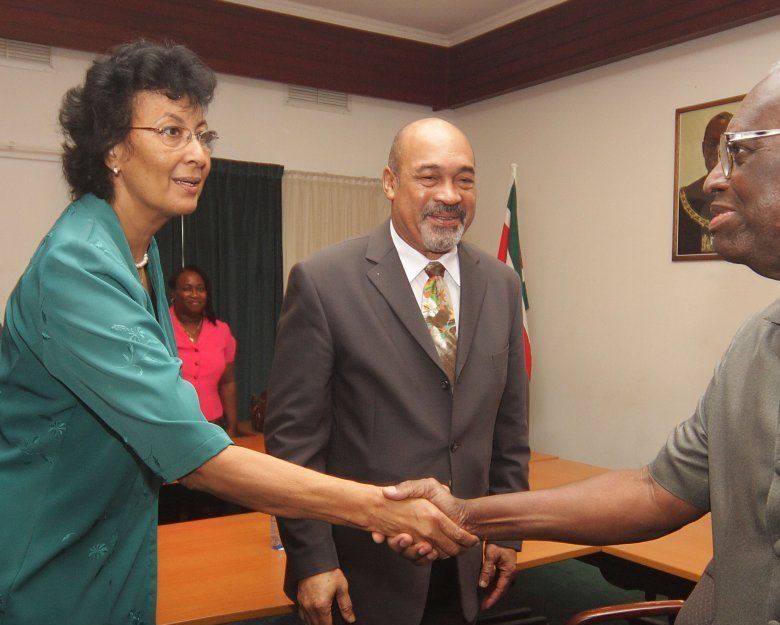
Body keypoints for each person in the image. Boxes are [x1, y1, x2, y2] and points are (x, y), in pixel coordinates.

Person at [382, 41, 780, 625]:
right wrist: (466, 512)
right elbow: (656, 492)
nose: (712, 180)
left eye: (741, 152)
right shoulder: (758, 342)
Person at [0, 41, 475, 625]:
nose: (199, 154)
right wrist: (381, 508)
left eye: (204, 135)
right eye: (172, 132)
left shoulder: (134, 257)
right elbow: (192, 453)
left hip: (112, 546)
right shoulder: (78, 266)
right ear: (113, 149)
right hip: (49, 559)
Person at [265, 117, 529, 625]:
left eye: (465, 179)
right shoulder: (323, 282)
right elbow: (294, 443)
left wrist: (506, 530)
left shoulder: (500, 285)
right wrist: (312, 559)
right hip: (362, 572)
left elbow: (510, 430)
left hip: (466, 563)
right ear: (390, 183)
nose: (450, 195)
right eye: (429, 177)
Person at [169, 265, 239, 436]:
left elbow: (227, 383)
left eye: (200, 289)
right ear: (173, 294)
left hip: (215, 427)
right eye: (187, 289)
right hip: (173, 427)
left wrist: (232, 426)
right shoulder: (161, 328)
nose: (195, 295)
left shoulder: (221, 331)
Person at [676, 111, 732, 255]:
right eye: (711, 145)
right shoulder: (686, 198)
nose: (717, 153)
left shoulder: (748, 195)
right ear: (703, 149)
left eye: (724, 146)